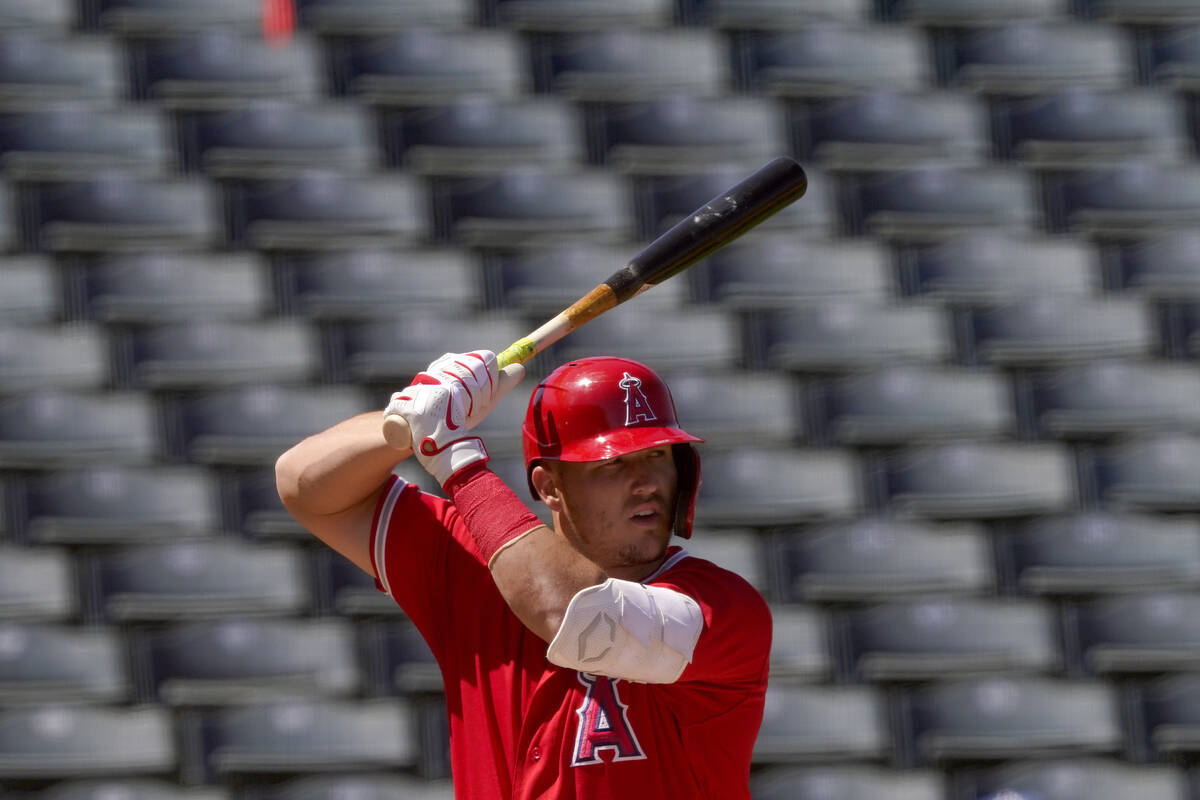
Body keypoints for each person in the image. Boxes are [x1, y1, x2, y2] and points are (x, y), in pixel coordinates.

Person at [275, 350, 772, 799]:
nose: (644, 483)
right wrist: (404, 422)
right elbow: (302, 483)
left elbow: (573, 613)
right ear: (549, 486)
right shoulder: (469, 560)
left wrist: (458, 461)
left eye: (656, 456)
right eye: (611, 463)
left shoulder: (721, 605)